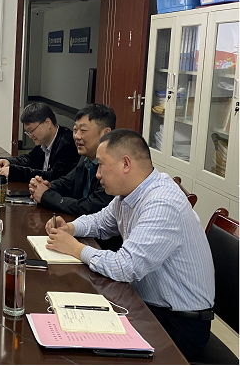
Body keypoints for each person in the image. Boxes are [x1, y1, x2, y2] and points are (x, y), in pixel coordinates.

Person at [44, 129, 215, 360]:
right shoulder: (131, 193)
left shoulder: (162, 203)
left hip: (178, 323)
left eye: (101, 165)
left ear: (126, 164)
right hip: (147, 305)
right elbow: (101, 222)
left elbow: (125, 266)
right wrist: (71, 228)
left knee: (84, 350)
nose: (97, 174)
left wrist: (75, 248)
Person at [29, 104, 116, 217]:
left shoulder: (114, 167)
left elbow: (91, 207)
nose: (76, 136)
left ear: (106, 133)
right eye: (75, 130)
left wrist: (46, 196)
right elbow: (67, 183)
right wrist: (47, 186)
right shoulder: (86, 158)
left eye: (83, 130)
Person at [0, 102, 79, 182]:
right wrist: (9, 161)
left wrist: (14, 172)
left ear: (48, 123)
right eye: (28, 132)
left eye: (31, 131)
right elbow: (31, 159)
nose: (30, 136)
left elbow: (53, 176)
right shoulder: (44, 141)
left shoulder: (67, 144)